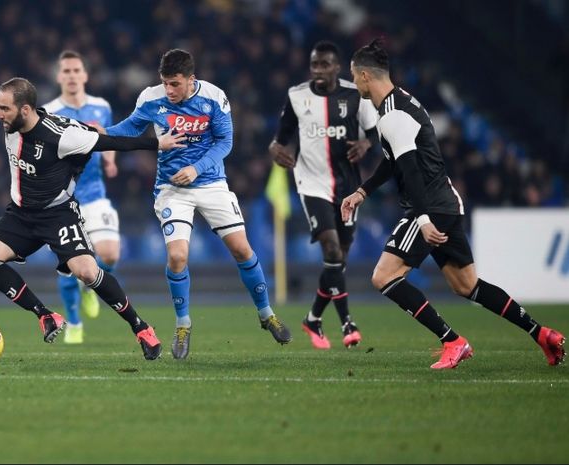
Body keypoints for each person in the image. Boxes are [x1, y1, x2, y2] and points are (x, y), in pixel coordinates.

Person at [341, 39, 565, 369]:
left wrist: (422, 220)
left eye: (353, 77)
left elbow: (412, 172)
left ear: (363, 76)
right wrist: (362, 192)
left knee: (383, 277)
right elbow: (393, 162)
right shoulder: (402, 103)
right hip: (446, 203)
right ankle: (541, 333)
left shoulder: (391, 115)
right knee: (467, 285)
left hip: (429, 206)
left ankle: (453, 341)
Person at [0, 77, 185, 359]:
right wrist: (2, 109)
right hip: (22, 214)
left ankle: (141, 327)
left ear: (25, 110)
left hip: (58, 214)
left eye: (4, 108)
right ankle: (44, 314)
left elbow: (109, 142)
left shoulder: (62, 135)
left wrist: (156, 143)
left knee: (86, 271)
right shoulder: (12, 122)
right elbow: (16, 114)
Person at [105, 49, 292, 359]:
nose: (169, 90)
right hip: (170, 188)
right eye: (165, 83)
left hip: (211, 183)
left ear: (191, 80)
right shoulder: (151, 99)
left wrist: (196, 168)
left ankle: (266, 313)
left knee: (242, 250)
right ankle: (183, 324)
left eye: (175, 84)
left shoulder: (214, 98)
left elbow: (225, 142)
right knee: (177, 257)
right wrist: (96, 136)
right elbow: (129, 129)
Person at [269, 40, 380, 350]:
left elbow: (374, 133)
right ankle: (347, 322)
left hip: (348, 186)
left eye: (324, 65)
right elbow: (279, 139)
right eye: (314, 64)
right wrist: (276, 152)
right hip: (312, 183)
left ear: (336, 67)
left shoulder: (355, 95)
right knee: (331, 251)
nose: (317, 70)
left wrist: (366, 145)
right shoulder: (297, 96)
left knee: (338, 260)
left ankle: (313, 318)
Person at [42, 50, 119, 344]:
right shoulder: (48, 111)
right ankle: (74, 323)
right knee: (65, 265)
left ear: (85, 75)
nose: (72, 76)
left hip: (95, 192)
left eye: (77, 70)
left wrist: (110, 159)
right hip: (63, 197)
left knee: (109, 254)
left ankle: (90, 286)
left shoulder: (101, 107)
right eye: (67, 71)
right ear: (59, 76)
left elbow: (107, 138)